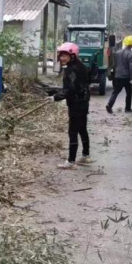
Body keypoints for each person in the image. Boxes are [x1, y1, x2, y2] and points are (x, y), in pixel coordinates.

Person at [52, 42, 93, 170]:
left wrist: (55, 97)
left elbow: (70, 89)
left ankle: (71, 161)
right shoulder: (80, 66)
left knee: (73, 131)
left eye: (65, 55)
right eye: (61, 55)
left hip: (76, 104)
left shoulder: (71, 69)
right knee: (82, 129)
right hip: (83, 102)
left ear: (73, 55)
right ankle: (86, 156)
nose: (62, 58)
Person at [107, 35, 132, 114]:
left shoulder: (118, 53)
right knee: (129, 93)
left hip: (118, 76)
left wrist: (114, 74)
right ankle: (127, 108)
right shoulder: (131, 54)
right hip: (126, 77)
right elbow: (131, 67)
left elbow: (115, 64)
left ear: (125, 43)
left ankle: (109, 105)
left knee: (115, 92)